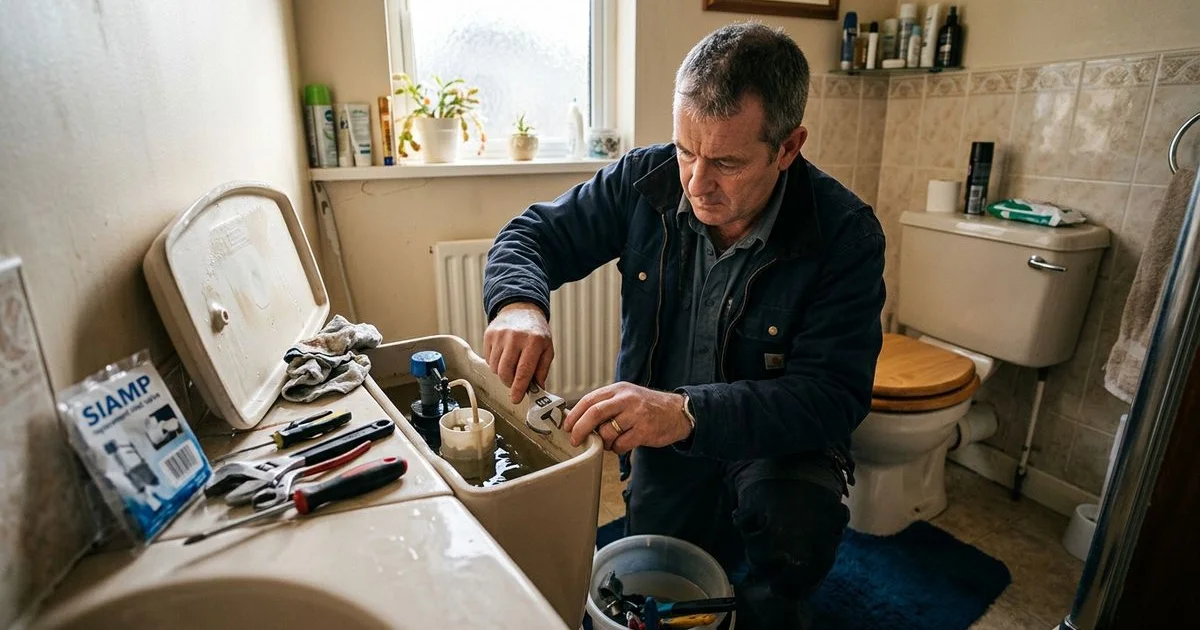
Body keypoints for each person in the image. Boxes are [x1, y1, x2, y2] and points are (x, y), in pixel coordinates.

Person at [482, 22, 885, 629]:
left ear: (787, 147)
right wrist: (518, 304)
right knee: (658, 579)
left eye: (726, 162)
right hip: (666, 440)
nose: (696, 183)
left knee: (793, 535)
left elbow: (833, 397)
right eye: (686, 151)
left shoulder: (846, 234)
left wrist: (686, 411)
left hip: (777, 443)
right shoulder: (642, 180)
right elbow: (530, 236)